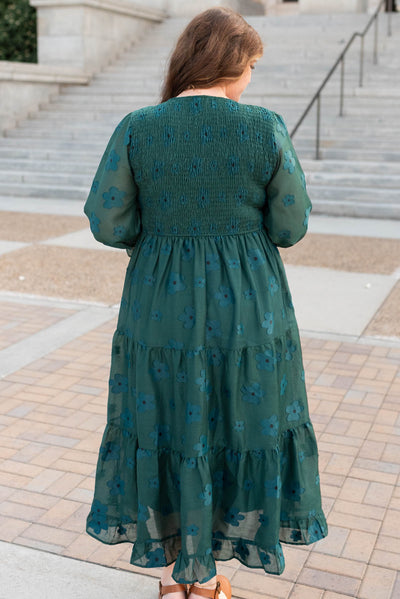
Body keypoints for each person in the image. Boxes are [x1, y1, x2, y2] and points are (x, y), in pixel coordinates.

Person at [84, 7, 328, 599]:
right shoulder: (263, 126)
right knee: (239, 421)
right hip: (247, 305)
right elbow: (292, 224)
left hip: (158, 302)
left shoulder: (139, 126)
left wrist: (162, 236)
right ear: (231, 64)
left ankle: (180, 577)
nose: (251, 79)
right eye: (250, 66)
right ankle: (209, 576)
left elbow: (107, 221)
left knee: (170, 421)